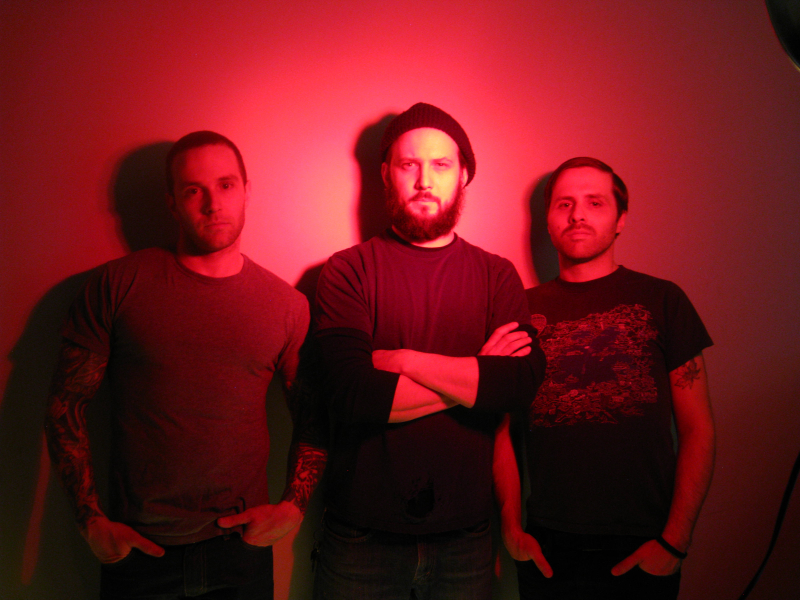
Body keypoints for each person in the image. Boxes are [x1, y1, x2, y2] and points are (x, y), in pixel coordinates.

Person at [44, 131, 327, 600]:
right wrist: (90, 520)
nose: (213, 204)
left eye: (226, 185)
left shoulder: (287, 306)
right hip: (139, 554)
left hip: (241, 553)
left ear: (246, 191)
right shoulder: (118, 286)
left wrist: (292, 509)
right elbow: (65, 405)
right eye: (194, 190)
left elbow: (314, 417)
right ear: (172, 203)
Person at [312, 102, 546, 600]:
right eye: (408, 165)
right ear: (385, 174)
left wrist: (403, 361)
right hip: (360, 541)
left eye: (440, 164)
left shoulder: (496, 275)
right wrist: (480, 374)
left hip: (467, 541)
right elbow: (352, 394)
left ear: (463, 176)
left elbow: (519, 383)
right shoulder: (347, 270)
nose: (424, 180)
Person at [494, 157, 715, 600]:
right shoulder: (519, 309)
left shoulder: (662, 300)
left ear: (621, 219)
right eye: (564, 204)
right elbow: (500, 429)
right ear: (548, 221)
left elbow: (698, 428)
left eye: (594, 202)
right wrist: (512, 530)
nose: (577, 214)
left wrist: (674, 542)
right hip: (548, 547)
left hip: (642, 544)